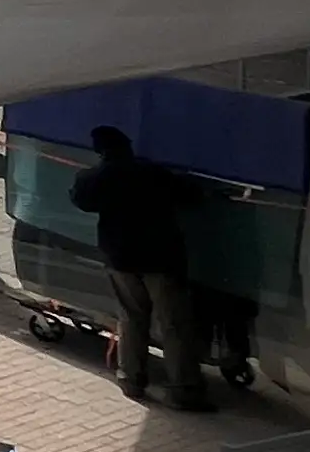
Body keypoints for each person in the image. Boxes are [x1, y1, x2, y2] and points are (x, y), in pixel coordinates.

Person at [70, 124, 212, 410]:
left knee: (131, 318)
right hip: (161, 259)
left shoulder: (94, 178)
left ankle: (131, 380)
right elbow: (192, 196)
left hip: (120, 260)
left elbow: (79, 198)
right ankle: (184, 390)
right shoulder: (153, 174)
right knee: (173, 324)